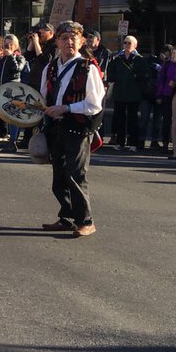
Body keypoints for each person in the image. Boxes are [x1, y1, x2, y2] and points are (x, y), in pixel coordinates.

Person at [40, 21, 106, 238]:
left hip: (77, 127)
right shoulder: (50, 67)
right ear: (56, 42)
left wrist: (66, 108)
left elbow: (94, 103)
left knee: (76, 174)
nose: (69, 42)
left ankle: (86, 220)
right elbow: (43, 96)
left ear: (81, 41)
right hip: (55, 127)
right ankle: (66, 218)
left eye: (74, 38)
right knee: (59, 175)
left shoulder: (88, 67)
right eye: (64, 38)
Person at [105, 35, 150, 151]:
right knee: (120, 118)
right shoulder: (118, 59)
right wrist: (115, 78)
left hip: (133, 94)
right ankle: (120, 142)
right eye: (125, 43)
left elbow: (145, 74)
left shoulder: (139, 59)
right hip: (120, 93)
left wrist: (136, 76)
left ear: (135, 45)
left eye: (129, 43)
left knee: (133, 119)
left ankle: (133, 143)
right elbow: (110, 73)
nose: (127, 45)